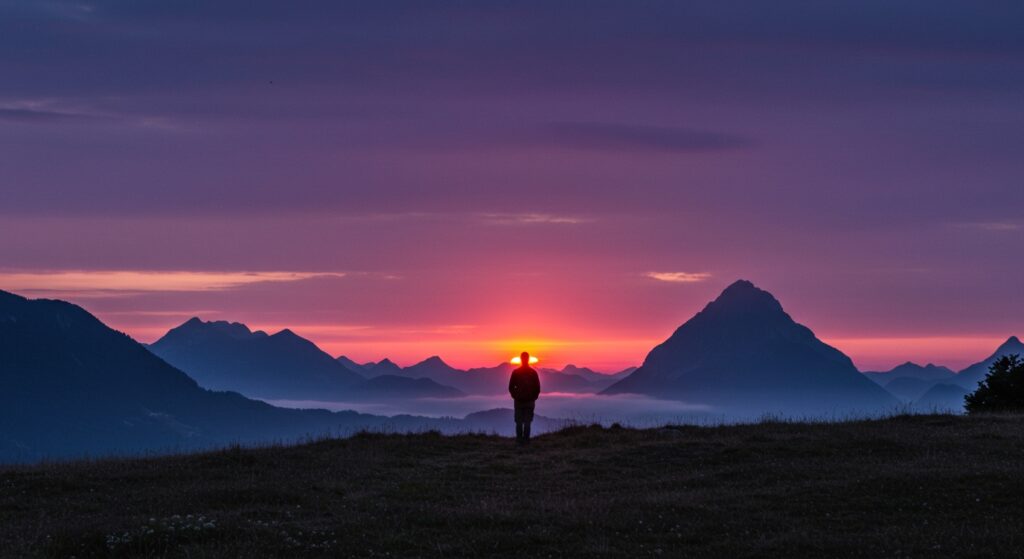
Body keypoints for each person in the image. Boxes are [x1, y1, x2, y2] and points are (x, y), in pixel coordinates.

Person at [508, 351, 541, 445]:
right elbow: (537, 388)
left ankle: (519, 441)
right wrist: (533, 397)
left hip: (518, 401)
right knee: (527, 422)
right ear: (528, 359)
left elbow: (511, 387)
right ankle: (526, 441)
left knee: (519, 421)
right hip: (530, 401)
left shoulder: (516, 372)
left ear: (521, 359)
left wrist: (515, 396)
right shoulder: (533, 373)